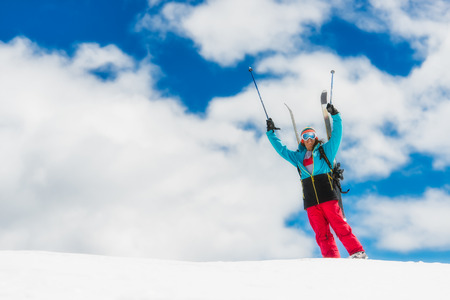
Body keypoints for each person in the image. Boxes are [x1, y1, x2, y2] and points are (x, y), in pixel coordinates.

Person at [266, 103, 367, 259]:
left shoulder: (326, 151)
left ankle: (357, 252)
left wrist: (336, 115)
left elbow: (337, 134)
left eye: (312, 135)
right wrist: (271, 133)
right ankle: (331, 259)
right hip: (311, 200)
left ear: (316, 138)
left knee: (339, 225)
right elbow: (281, 150)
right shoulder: (298, 157)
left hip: (327, 195)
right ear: (302, 140)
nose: (309, 139)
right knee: (321, 234)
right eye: (305, 136)